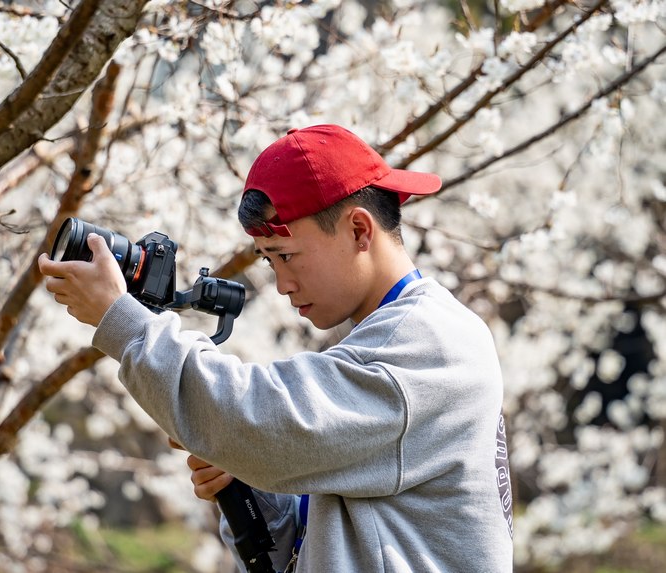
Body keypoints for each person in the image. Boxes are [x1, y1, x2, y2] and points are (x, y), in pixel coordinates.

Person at [38, 124, 514, 572]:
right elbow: (337, 530)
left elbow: (266, 422)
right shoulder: (398, 333)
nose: (283, 284)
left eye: (286, 256)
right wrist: (255, 488)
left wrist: (122, 321)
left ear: (359, 231)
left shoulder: (427, 342)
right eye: (269, 262)